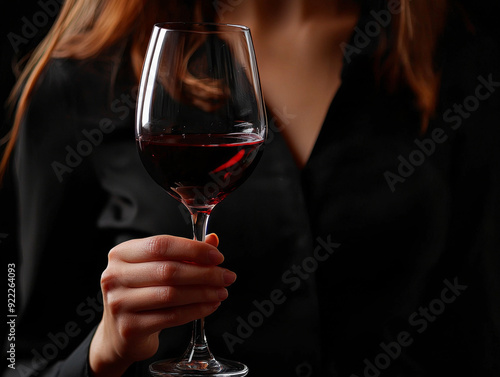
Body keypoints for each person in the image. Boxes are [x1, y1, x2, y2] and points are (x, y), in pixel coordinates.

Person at [2, 0, 500, 376]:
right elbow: (19, 355)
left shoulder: (448, 53)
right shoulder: (84, 72)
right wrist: (103, 349)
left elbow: (472, 326)